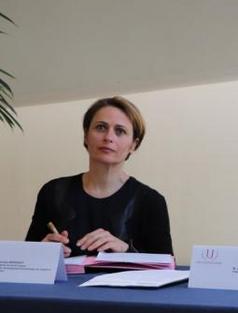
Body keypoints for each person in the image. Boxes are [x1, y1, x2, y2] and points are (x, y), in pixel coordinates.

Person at [25, 96, 172, 257]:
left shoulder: (150, 201)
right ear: (86, 136)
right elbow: (26, 261)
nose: (109, 137)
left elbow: (167, 268)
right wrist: (41, 250)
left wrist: (126, 251)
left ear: (133, 145)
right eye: (101, 127)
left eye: (120, 131)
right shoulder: (53, 191)